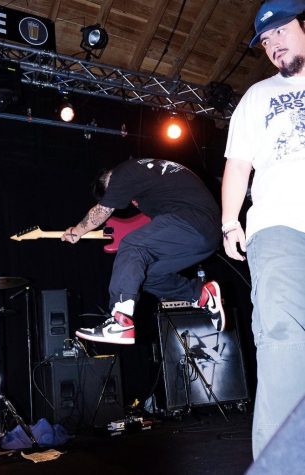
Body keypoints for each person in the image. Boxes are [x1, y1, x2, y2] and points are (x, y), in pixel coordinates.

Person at [221, 0, 305, 460]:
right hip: (280, 227)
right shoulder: (259, 96)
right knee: (283, 339)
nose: (273, 44)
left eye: (280, 31)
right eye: (265, 40)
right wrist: (230, 221)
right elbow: (238, 164)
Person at [61, 158, 225, 345]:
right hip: (205, 236)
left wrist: (77, 231)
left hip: (193, 221)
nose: (130, 202)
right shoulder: (152, 180)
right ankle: (201, 294)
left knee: (132, 245)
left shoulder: (123, 172)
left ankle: (120, 320)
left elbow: (103, 211)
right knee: (146, 276)